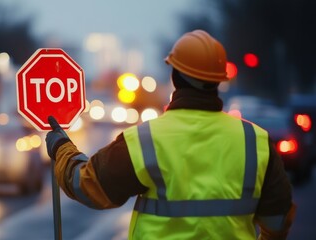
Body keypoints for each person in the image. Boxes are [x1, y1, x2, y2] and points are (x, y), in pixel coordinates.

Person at [45, 29, 295, 239]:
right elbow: (277, 221)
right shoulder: (255, 141)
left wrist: (61, 147)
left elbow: (88, 185)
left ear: (175, 75)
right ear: (218, 80)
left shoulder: (147, 139)